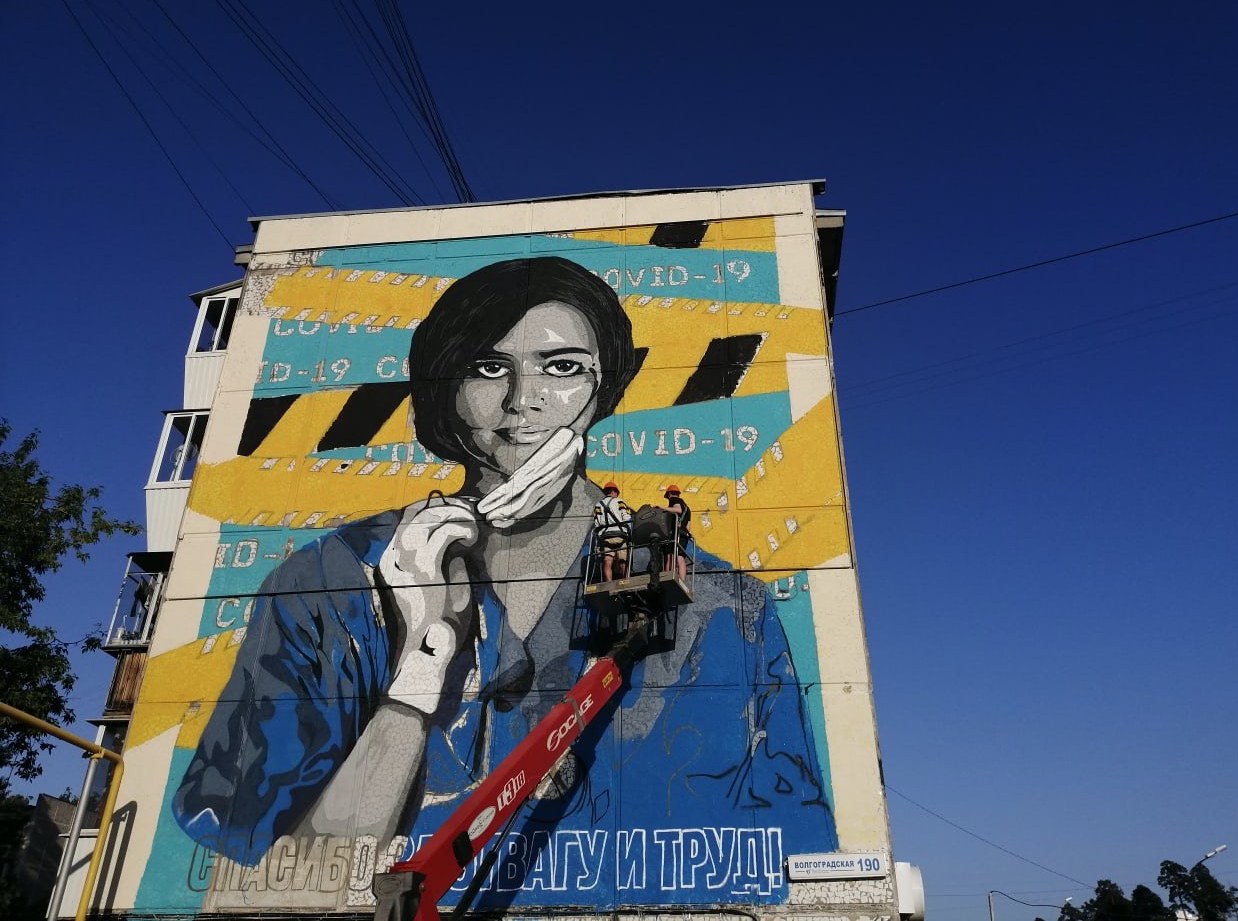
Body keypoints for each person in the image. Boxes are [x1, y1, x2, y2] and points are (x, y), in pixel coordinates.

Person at [172, 256, 835, 908]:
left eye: (563, 367)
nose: (524, 401)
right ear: (445, 387)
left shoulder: (724, 605)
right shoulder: (329, 584)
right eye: (488, 368)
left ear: (605, 387)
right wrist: (419, 666)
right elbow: (271, 890)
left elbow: (798, 871)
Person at [592, 480, 631, 581]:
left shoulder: (598, 505)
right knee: (623, 560)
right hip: (620, 535)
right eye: (617, 492)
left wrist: (601, 535)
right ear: (613, 491)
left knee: (607, 560)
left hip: (606, 537)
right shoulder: (619, 501)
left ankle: (609, 583)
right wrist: (629, 533)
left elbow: (596, 524)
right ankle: (625, 582)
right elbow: (627, 518)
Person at [659, 483, 691, 579]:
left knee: (670, 555)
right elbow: (688, 526)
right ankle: (681, 580)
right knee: (680, 557)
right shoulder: (687, 508)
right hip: (684, 534)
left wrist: (662, 508)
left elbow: (678, 509)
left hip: (677, 533)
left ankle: (668, 577)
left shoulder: (674, 500)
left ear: (669, 494)